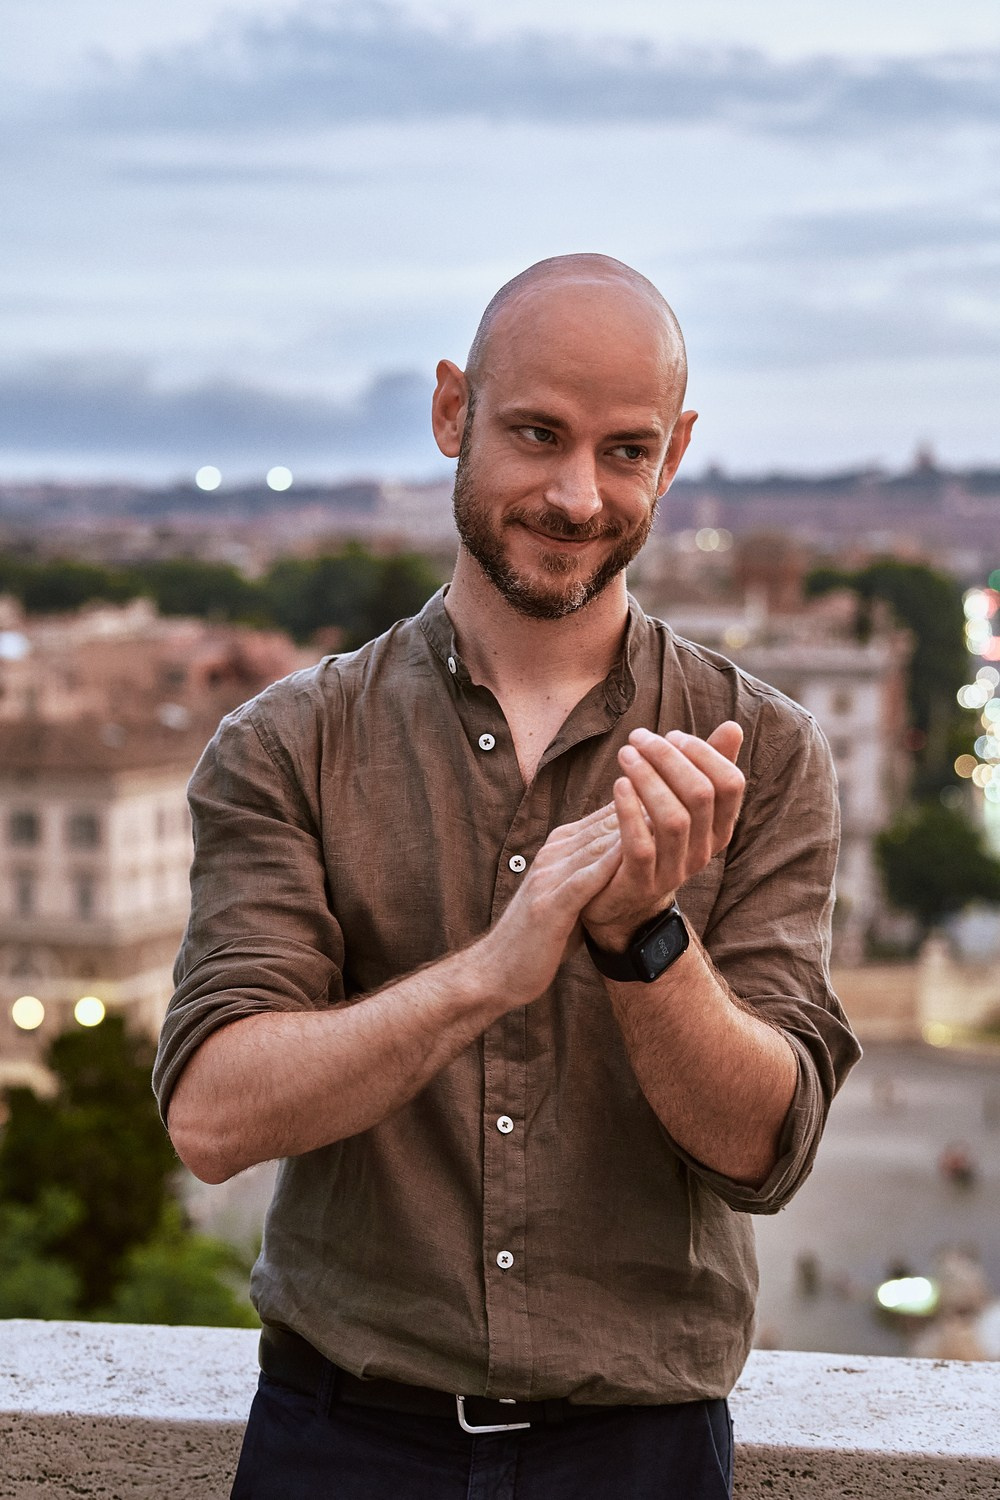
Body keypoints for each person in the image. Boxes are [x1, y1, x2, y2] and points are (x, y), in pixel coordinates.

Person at [154, 253, 860, 1499]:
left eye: (626, 450)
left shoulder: (769, 752)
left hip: (639, 1450)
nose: (579, 494)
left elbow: (764, 1150)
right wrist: (488, 973)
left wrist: (644, 938)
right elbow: (213, 1117)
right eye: (537, 433)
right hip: (342, 1442)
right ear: (450, 413)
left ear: (676, 451)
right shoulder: (287, 744)